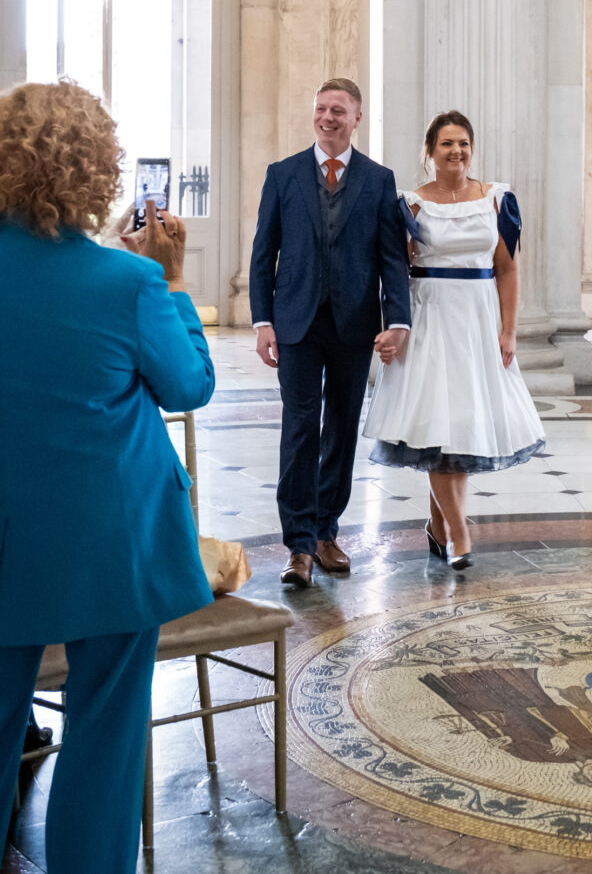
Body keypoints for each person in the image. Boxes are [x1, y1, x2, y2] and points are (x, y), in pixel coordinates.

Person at [0, 81, 215, 874]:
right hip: (110, 545)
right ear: (98, 170)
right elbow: (189, 385)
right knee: (107, 732)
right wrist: (171, 280)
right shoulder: (125, 284)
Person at [362, 111, 545, 570]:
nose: (456, 151)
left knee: (461, 425)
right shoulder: (410, 204)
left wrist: (508, 329)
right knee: (435, 425)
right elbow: (393, 273)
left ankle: (438, 525)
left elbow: (507, 268)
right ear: (430, 151)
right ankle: (460, 533)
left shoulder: (496, 199)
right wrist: (393, 327)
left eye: (463, 143)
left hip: (478, 321)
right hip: (430, 319)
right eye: (446, 144)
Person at [249, 77, 411, 589]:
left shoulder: (379, 180)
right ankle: (296, 545)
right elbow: (262, 254)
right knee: (299, 429)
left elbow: (391, 259)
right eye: (321, 108)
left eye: (338, 110)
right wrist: (262, 320)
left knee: (340, 426)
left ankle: (325, 533)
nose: (327, 117)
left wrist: (398, 321)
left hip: (353, 324)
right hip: (295, 321)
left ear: (356, 118)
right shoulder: (283, 175)